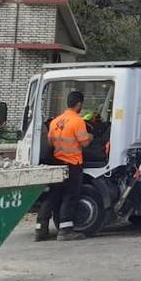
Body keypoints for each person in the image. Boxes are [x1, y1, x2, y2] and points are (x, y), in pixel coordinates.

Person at [35, 90, 93, 241]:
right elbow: (85, 143)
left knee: (53, 195)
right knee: (70, 196)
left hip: (57, 163)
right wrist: (91, 136)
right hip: (73, 164)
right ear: (79, 104)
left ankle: (41, 229)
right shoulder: (78, 121)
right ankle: (65, 231)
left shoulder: (56, 121)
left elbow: (50, 143)